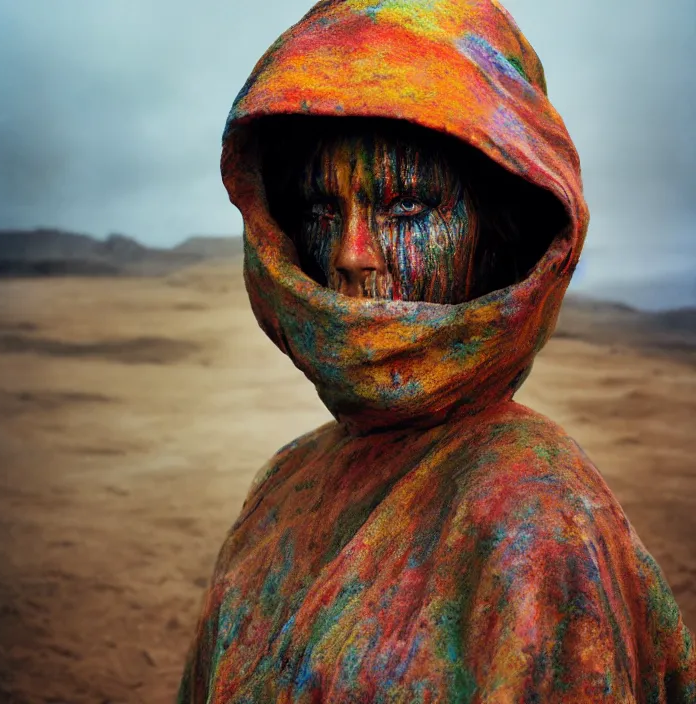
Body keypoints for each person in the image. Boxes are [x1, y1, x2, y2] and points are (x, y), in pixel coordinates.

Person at [179, 0, 696, 701]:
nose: (353, 256)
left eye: (406, 210)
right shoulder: (286, 482)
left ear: (496, 234)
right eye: (324, 212)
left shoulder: (540, 520)